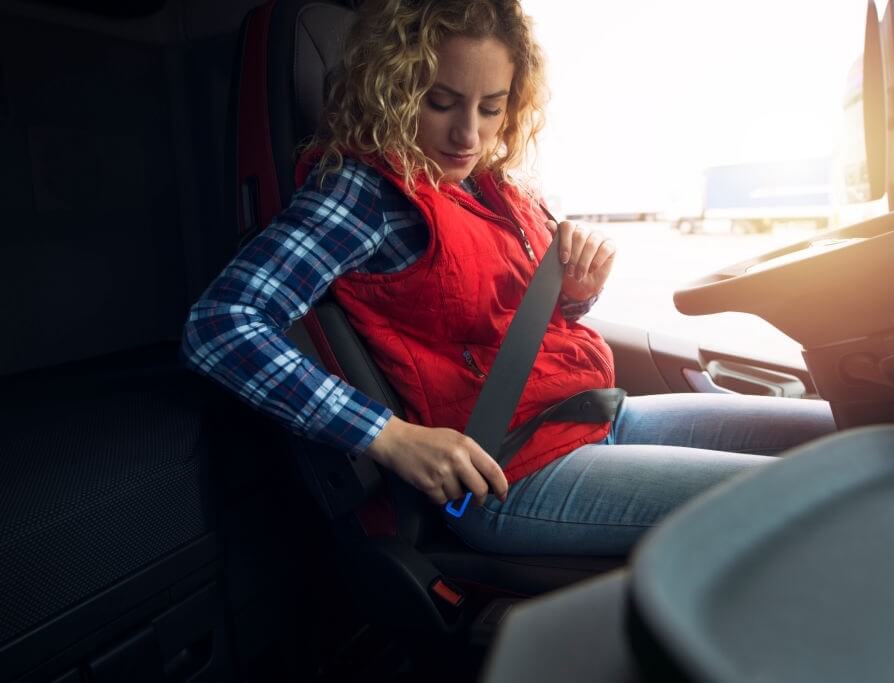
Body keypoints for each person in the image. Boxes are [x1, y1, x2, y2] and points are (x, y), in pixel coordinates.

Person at [182, 0, 835, 556]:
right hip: (513, 471)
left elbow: (519, 325)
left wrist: (576, 283)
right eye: (441, 103)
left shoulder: (494, 185)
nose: (468, 134)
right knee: (817, 503)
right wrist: (388, 435)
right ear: (394, 87)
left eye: (491, 108)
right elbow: (220, 325)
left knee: (846, 433)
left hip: (597, 417)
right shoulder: (364, 192)